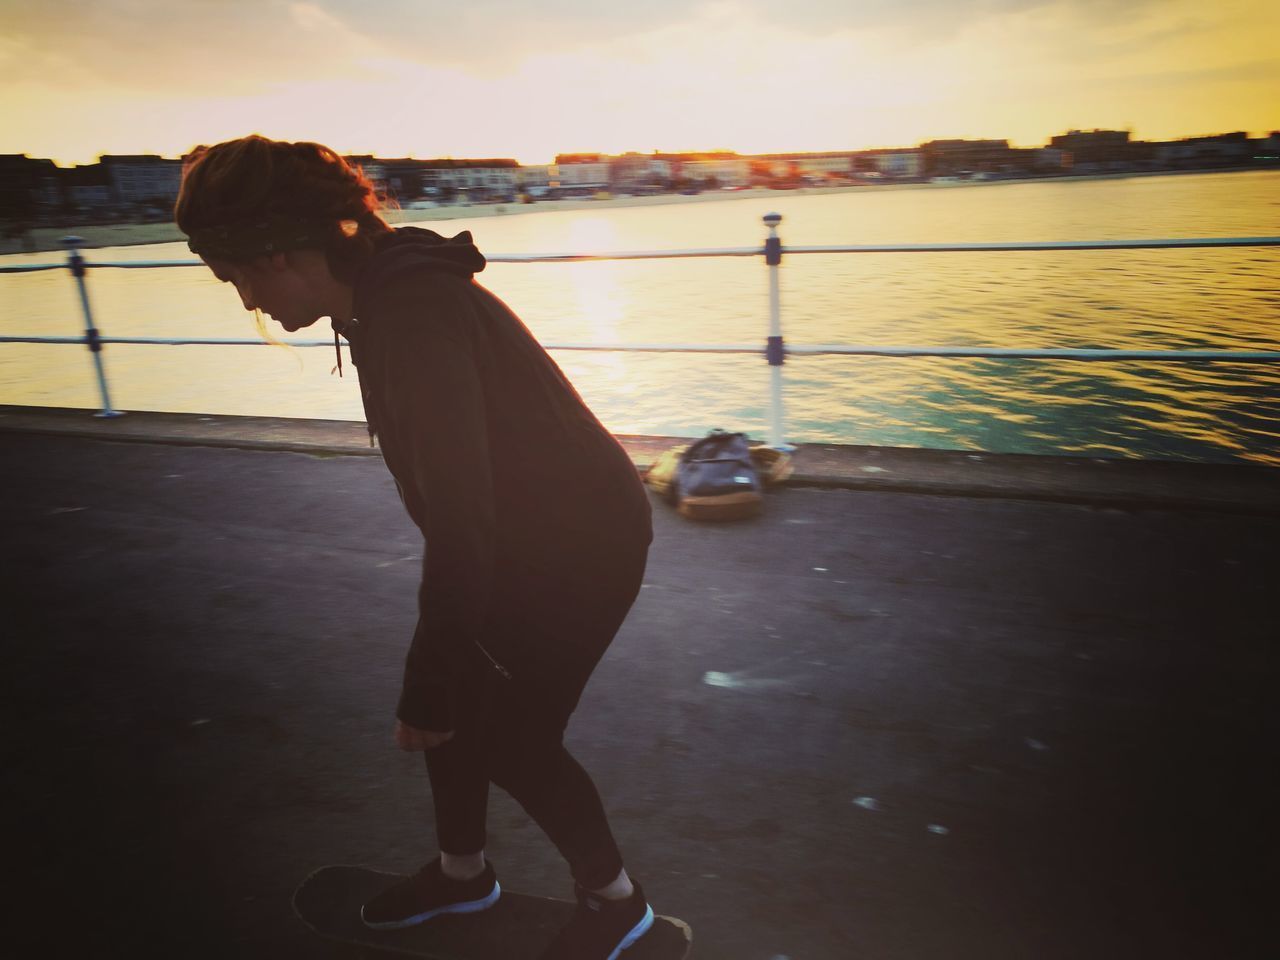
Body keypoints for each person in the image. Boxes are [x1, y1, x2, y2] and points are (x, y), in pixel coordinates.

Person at [176, 135, 656, 959]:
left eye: (243, 275)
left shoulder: (411, 314)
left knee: (508, 734)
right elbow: (464, 507)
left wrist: (427, 679)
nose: (247, 299)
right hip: (520, 534)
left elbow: (464, 513)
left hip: (580, 543)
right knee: (458, 711)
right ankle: (464, 876)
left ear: (288, 251)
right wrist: (443, 674)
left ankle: (616, 903)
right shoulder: (380, 292)